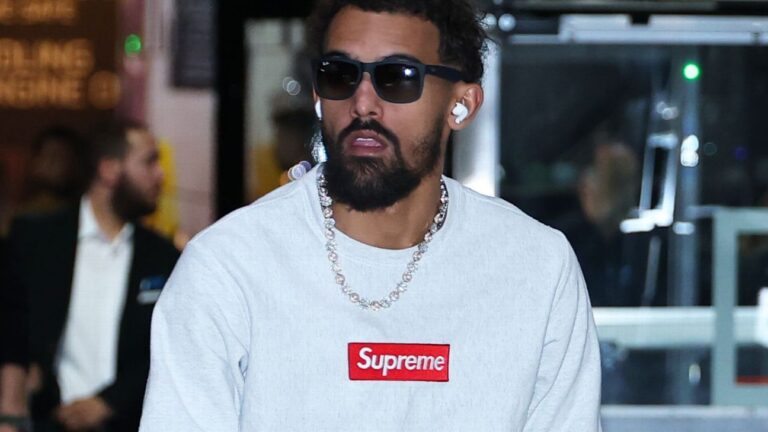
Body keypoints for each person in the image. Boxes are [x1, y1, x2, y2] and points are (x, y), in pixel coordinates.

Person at [140, 1, 602, 430]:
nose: (362, 104)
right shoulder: (228, 265)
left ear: (461, 104)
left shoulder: (535, 266)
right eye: (340, 75)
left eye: (397, 77)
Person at [0, 120, 180, 432]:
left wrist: (110, 402)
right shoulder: (35, 239)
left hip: (131, 423)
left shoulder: (163, 257)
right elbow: (12, 326)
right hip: (46, 422)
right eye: (149, 161)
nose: (160, 174)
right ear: (109, 169)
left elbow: (168, 348)